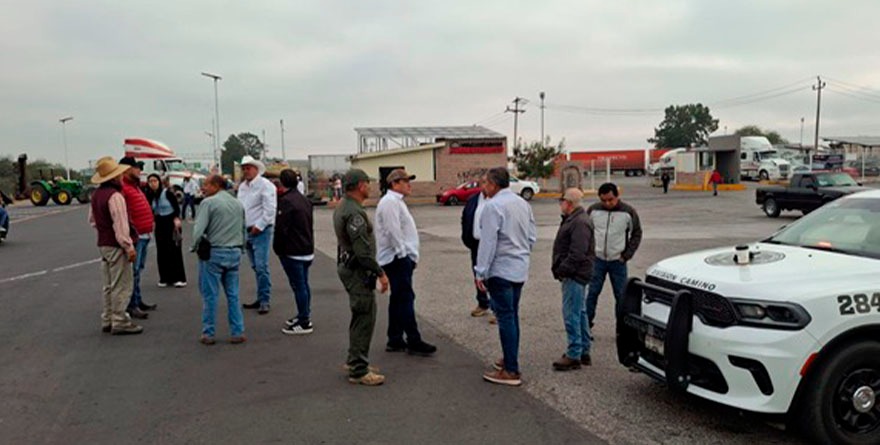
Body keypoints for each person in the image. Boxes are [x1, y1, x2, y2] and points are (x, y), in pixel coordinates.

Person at [475, 167, 537, 387]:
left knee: (506, 318)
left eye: (485, 183)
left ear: (493, 184)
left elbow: (488, 241)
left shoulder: (493, 206)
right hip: (518, 268)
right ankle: (509, 357)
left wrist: (480, 271)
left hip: (500, 269)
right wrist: (521, 254)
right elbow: (531, 236)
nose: (483, 187)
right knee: (512, 315)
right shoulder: (522, 203)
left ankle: (511, 370)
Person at [333, 169, 389, 386]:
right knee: (365, 318)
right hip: (357, 271)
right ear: (360, 185)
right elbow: (363, 253)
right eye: (367, 183)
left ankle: (355, 359)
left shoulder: (344, 206)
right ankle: (359, 369)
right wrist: (380, 273)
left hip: (349, 266)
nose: (370, 186)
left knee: (359, 317)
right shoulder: (354, 212)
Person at [375, 169, 437, 356]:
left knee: (398, 298)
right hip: (396, 258)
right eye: (405, 181)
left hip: (399, 257)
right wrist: (404, 255)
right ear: (394, 184)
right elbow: (393, 231)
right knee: (405, 298)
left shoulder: (396, 202)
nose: (409, 185)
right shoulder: (390, 202)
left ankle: (395, 338)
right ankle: (413, 339)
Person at [87, 157, 143, 335]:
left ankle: (108, 318)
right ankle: (119, 320)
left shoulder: (96, 195)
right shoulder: (115, 196)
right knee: (121, 284)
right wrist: (128, 246)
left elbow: (92, 220)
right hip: (116, 245)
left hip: (103, 243)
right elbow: (120, 225)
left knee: (108, 285)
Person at [192, 174, 247, 345]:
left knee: (210, 295)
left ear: (216, 185)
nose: (203, 188)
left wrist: (194, 246)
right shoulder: (237, 203)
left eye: (206, 185)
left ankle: (208, 332)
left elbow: (199, 230)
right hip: (234, 251)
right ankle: (237, 331)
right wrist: (242, 247)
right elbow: (243, 228)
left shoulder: (208, 203)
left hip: (215, 252)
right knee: (233, 294)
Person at [585, 183, 642, 331]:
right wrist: (589, 253)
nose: (607, 203)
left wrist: (626, 255)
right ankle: (586, 327)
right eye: (603, 200)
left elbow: (636, 233)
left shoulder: (628, 212)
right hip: (597, 260)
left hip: (618, 261)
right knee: (591, 294)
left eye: (610, 199)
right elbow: (585, 231)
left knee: (621, 296)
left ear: (617, 196)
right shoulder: (593, 210)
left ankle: (621, 330)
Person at [551, 188, 594, 371]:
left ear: (568, 203)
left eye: (561, 201)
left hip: (575, 274)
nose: (560, 204)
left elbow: (577, 253)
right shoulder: (574, 219)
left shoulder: (579, 222)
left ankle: (574, 353)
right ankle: (583, 350)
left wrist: (563, 269)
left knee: (572, 314)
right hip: (576, 273)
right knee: (580, 312)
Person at [274, 169, 316, 335]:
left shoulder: (286, 202)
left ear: (282, 182)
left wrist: (277, 248)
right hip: (307, 247)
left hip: (293, 250)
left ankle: (304, 321)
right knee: (304, 284)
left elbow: (281, 229)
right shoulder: (304, 200)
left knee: (299, 286)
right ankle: (303, 314)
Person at [118, 156, 157, 319]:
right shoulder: (124, 188)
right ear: (127, 169)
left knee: (138, 270)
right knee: (133, 272)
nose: (139, 170)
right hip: (137, 235)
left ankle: (137, 300)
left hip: (144, 234)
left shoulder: (134, 186)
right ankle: (132, 304)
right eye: (136, 167)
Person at [237, 155, 277, 314]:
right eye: (244, 168)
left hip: (260, 231)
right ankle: (261, 297)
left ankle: (265, 299)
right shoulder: (243, 187)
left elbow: (270, 210)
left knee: (261, 266)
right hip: (247, 230)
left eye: (248, 168)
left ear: (256, 169)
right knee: (256, 266)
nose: (246, 171)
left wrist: (259, 226)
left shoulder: (265, 186)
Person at [145, 174, 187, 288]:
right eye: (150, 181)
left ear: (159, 182)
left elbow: (176, 207)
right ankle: (165, 278)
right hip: (159, 222)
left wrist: (177, 218)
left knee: (174, 250)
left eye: (155, 181)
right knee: (162, 250)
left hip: (171, 222)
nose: (153, 183)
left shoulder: (167, 193)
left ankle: (179, 278)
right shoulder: (150, 195)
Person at [461, 174, 492, 319]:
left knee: (493, 276)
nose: (485, 185)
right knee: (477, 274)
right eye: (483, 182)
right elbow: (465, 217)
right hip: (476, 243)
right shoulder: (473, 199)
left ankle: (498, 308)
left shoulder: (496, 201)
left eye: (488, 182)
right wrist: (466, 236)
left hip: (492, 244)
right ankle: (482, 302)